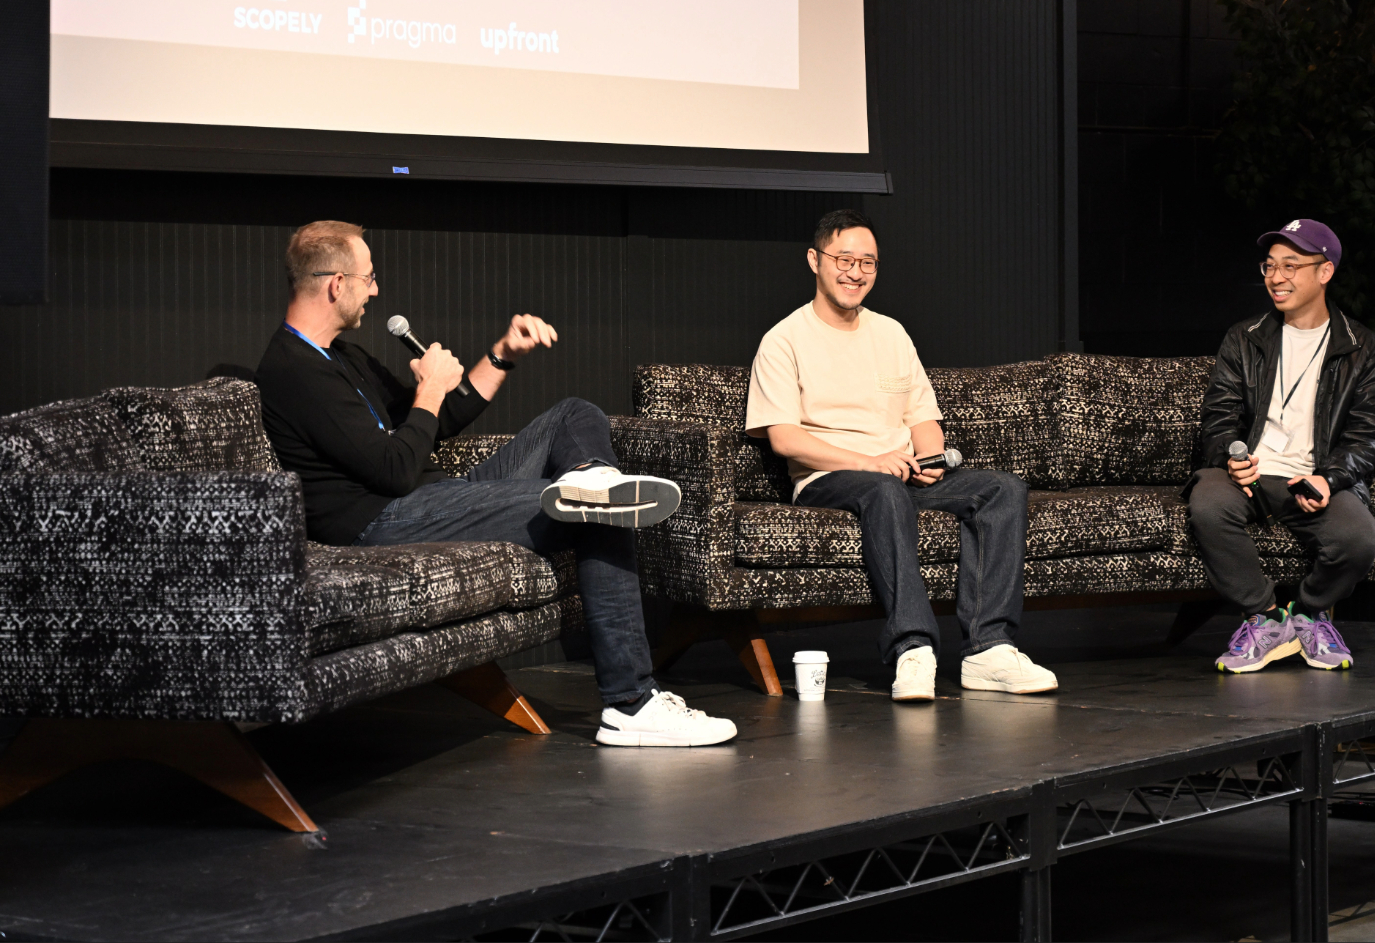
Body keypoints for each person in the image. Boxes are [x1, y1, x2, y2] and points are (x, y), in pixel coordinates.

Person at [255, 221, 735, 747]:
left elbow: (441, 418)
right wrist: (430, 390)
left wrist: (503, 353)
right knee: (595, 508)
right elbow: (393, 470)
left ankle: (589, 475)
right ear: (336, 284)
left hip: (433, 495)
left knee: (573, 415)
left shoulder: (344, 354)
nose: (375, 290)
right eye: (368, 278)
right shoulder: (292, 370)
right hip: (380, 520)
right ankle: (631, 704)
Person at [744, 210, 1057, 702]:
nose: (855, 272)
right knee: (884, 489)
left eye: (867, 263)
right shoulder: (784, 340)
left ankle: (988, 649)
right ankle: (913, 648)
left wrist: (930, 459)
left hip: (899, 474)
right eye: (844, 259)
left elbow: (922, 418)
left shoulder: (891, 333)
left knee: (1002, 488)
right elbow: (785, 439)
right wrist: (870, 462)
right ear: (815, 260)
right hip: (830, 478)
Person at [1188, 219, 1375, 674]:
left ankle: (1309, 615)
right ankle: (1264, 619)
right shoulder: (1244, 337)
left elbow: (1369, 433)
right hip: (1252, 475)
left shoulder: (1363, 348)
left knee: (1359, 538)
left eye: (1290, 266)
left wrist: (1329, 478)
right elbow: (1218, 416)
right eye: (1269, 266)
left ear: (1325, 271)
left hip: (1312, 476)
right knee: (1208, 504)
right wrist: (1231, 457)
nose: (1276, 277)